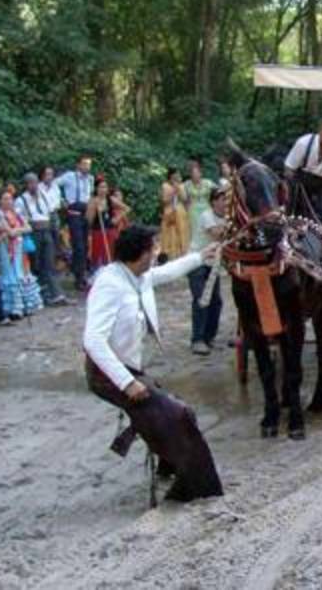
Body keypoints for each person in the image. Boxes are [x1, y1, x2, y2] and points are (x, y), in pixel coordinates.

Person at [83, 225, 223, 502]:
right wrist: (127, 383)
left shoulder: (137, 275)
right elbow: (93, 340)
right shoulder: (109, 283)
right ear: (140, 254)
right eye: (153, 249)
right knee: (179, 414)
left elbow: (165, 273)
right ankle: (194, 487)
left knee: (171, 414)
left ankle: (167, 468)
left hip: (131, 370)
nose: (157, 254)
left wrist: (200, 256)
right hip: (107, 374)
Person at [16, 172, 68, 306]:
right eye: (30, 183)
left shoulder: (43, 195)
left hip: (47, 229)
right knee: (36, 264)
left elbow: (50, 210)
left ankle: (56, 294)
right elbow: (19, 218)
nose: (33, 185)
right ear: (26, 185)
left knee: (49, 262)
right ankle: (41, 295)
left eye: (34, 182)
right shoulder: (21, 200)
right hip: (33, 231)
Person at [0, 188, 44, 320]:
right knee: (10, 275)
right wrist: (18, 230)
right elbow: (10, 232)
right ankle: (13, 308)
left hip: (19, 248)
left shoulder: (16, 213)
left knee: (22, 274)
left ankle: (26, 305)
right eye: (5, 199)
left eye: (10, 198)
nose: (8, 201)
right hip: (6, 249)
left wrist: (17, 230)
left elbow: (28, 228)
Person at [188, 190, 227, 355]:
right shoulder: (206, 215)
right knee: (201, 300)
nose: (226, 203)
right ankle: (197, 340)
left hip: (214, 264)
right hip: (198, 262)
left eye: (227, 200)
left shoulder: (226, 218)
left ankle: (209, 337)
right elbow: (217, 234)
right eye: (222, 199)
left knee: (216, 301)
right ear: (213, 202)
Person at [55, 155, 94, 290]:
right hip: (74, 212)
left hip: (86, 212)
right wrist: (61, 200)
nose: (87, 167)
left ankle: (82, 274)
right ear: (78, 165)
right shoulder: (69, 176)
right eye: (84, 164)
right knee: (78, 246)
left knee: (86, 245)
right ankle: (78, 277)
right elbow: (54, 184)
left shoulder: (90, 179)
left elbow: (89, 196)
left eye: (89, 165)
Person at [87, 178, 130, 270]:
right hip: (98, 232)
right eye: (101, 187)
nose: (103, 190)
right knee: (99, 257)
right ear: (96, 189)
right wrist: (94, 210)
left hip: (111, 232)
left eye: (105, 187)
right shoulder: (93, 201)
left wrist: (116, 219)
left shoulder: (111, 199)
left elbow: (126, 208)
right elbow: (88, 221)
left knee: (112, 255)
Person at [160, 168, 190, 260]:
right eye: (175, 174)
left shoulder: (181, 185)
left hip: (180, 212)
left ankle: (182, 254)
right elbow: (164, 201)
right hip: (169, 212)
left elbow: (184, 199)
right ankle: (168, 255)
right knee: (169, 233)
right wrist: (174, 191)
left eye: (178, 174)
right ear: (171, 175)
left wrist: (178, 188)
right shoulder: (165, 186)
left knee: (181, 233)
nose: (177, 175)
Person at [184, 159, 217, 240]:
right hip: (193, 210)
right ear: (190, 175)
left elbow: (219, 191)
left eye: (197, 173)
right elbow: (183, 199)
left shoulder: (208, 183)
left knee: (208, 227)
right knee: (195, 230)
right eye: (193, 174)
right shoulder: (187, 184)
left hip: (206, 208)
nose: (196, 175)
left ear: (201, 173)